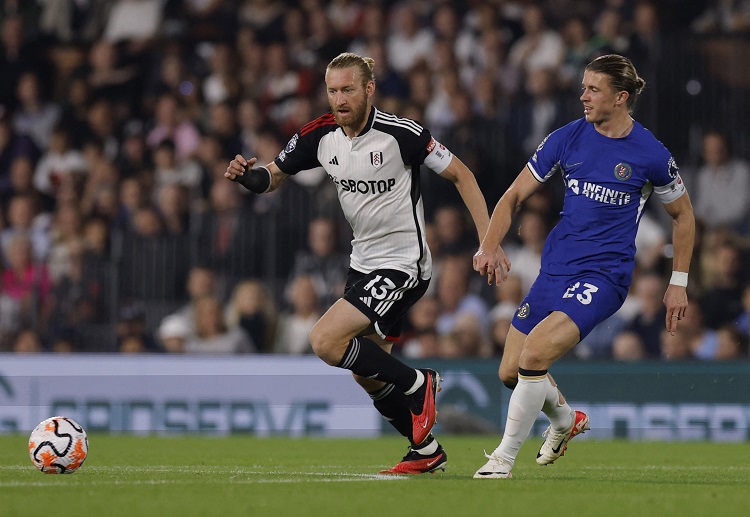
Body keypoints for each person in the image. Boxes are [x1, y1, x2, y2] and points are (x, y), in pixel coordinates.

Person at [225, 52, 490, 475]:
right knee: (366, 372)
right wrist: (247, 177)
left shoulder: (401, 133)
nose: (339, 99)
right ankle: (426, 453)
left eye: (348, 89)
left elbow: (463, 176)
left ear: (369, 89)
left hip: (405, 263)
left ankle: (420, 384)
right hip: (363, 263)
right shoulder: (319, 135)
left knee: (325, 341)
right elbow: (272, 175)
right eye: (332, 90)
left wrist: (488, 242)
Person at [471, 54, 695, 479]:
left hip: (604, 277)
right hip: (555, 270)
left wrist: (678, 282)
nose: (583, 96)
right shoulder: (567, 137)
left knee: (534, 355)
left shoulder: (650, 154)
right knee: (509, 372)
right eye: (584, 87)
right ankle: (565, 419)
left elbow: (684, 216)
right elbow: (514, 196)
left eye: (594, 89)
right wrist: (490, 244)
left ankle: (502, 458)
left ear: (621, 97)